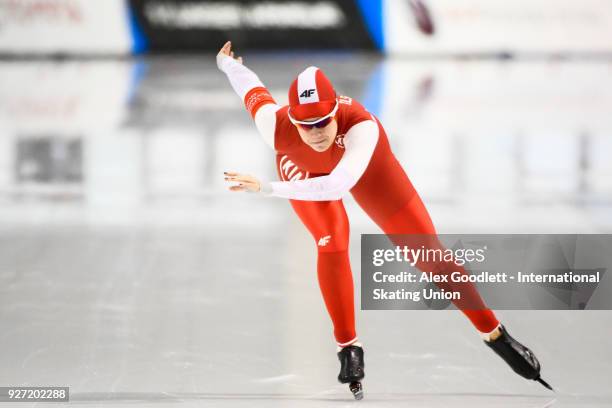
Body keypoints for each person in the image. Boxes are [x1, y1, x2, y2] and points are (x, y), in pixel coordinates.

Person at [216, 41, 551, 399]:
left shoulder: (362, 127)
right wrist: (227, 64)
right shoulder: (275, 127)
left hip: (367, 170)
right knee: (331, 240)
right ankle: (348, 348)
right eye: (304, 124)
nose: (315, 132)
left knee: (430, 256)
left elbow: (337, 185)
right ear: (292, 119)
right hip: (303, 170)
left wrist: (267, 188)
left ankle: (496, 335)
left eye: (322, 122)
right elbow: (252, 89)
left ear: (335, 112)